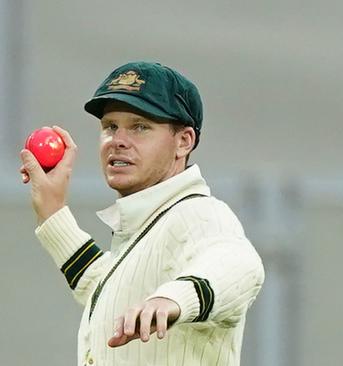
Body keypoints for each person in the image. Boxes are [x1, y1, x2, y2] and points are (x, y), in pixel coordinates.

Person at [19, 61, 265, 366]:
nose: (118, 140)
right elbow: (108, 289)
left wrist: (174, 298)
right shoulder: (150, 224)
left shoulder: (199, 212)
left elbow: (240, 265)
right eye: (110, 126)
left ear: (183, 142)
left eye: (140, 126)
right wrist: (53, 212)